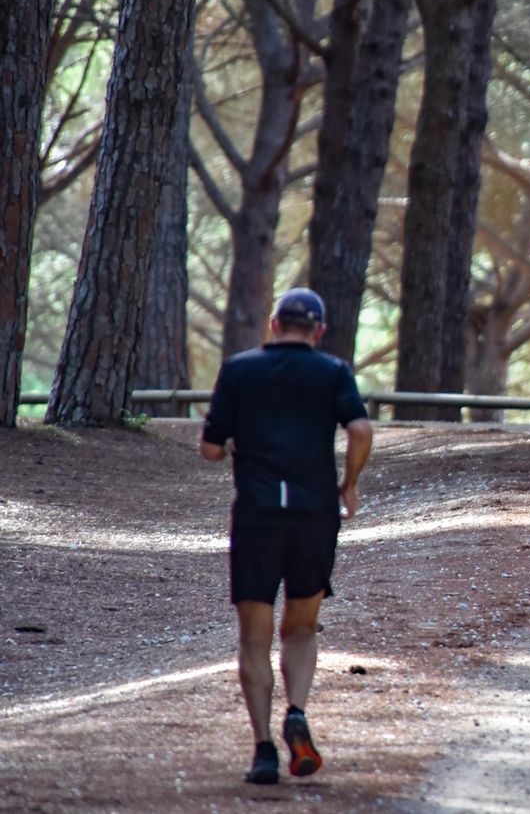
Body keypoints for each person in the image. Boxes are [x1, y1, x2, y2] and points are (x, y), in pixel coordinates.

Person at [200, 288, 373, 785]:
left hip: (256, 515)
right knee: (300, 627)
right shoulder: (333, 372)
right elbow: (360, 429)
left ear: (273, 324)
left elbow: (210, 450)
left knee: (254, 637)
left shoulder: (238, 370)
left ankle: (263, 752)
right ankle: (296, 711)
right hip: (313, 513)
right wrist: (350, 482)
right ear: (318, 331)